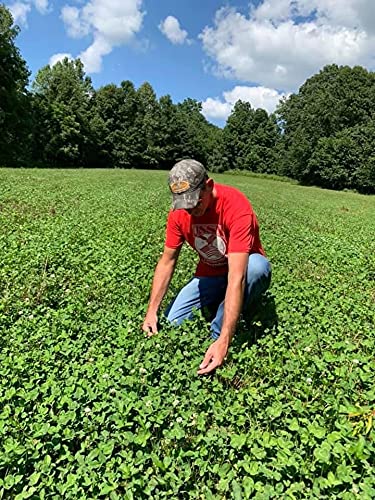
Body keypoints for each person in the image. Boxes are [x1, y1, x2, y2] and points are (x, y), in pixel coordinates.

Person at [142, 159, 271, 375]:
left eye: (195, 202)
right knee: (172, 321)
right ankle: (221, 301)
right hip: (210, 273)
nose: (190, 210)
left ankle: (219, 331)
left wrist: (224, 339)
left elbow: (237, 276)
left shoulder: (237, 207)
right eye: (184, 204)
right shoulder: (178, 213)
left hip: (241, 270)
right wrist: (151, 312)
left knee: (257, 267)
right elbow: (167, 261)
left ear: (209, 185)